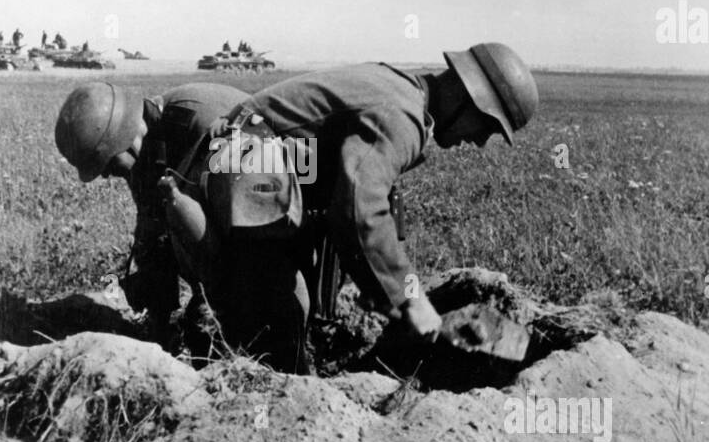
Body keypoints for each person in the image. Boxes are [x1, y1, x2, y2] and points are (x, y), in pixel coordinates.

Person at [183, 43, 539, 372]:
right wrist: (409, 298)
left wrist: (385, 286)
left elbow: (372, 195)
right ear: (466, 96)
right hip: (247, 172)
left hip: (266, 171)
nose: (478, 141)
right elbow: (359, 208)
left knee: (302, 300)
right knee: (285, 314)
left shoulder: (404, 92)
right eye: (486, 126)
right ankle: (269, 384)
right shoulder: (402, 114)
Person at [54, 79, 249, 346]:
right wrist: (160, 322)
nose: (106, 175)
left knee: (207, 325)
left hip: (266, 226)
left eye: (106, 164)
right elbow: (152, 233)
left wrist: (211, 301)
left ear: (124, 140)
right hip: (229, 233)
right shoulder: (145, 147)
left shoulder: (202, 127)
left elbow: (247, 225)